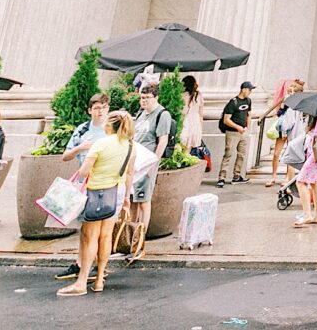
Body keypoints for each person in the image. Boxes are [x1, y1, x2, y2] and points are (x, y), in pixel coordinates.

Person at [57, 111, 135, 297]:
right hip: (117, 191)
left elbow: (84, 172)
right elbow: (130, 173)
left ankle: (82, 281)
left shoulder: (101, 143)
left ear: (110, 125)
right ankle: (99, 279)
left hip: (97, 192)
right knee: (106, 236)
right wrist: (126, 199)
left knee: (89, 237)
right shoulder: (130, 146)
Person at [127, 85, 173, 263]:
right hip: (134, 161)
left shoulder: (162, 115)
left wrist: (154, 162)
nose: (143, 101)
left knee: (144, 201)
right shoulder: (140, 114)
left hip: (147, 162)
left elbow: (162, 140)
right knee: (132, 200)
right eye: (141, 97)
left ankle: (140, 239)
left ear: (155, 97)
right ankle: (129, 236)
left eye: (147, 98)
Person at [265, 78, 305, 187]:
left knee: (290, 155)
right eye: (289, 89)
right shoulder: (287, 100)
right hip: (283, 129)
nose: (289, 91)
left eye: (292, 90)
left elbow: (293, 119)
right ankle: (273, 176)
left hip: (293, 130)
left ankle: (288, 178)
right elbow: (281, 113)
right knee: (276, 153)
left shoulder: (300, 103)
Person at [216, 80, 254, 187]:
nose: (250, 92)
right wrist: (237, 127)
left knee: (241, 154)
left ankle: (237, 176)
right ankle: (222, 177)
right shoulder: (233, 102)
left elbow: (249, 115)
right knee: (228, 154)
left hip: (243, 132)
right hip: (232, 132)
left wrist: (247, 127)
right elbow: (226, 119)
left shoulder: (248, 101)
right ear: (243, 89)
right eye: (249, 90)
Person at [62, 93, 110, 167]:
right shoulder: (82, 129)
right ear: (90, 111)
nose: (101, 111)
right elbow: (65, 157)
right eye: (97, 108)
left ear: (108, 109)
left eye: (104, 107)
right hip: (86, 176)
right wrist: (80, 148)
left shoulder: (115, 128)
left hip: (108, 176)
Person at [180, 75, 206, 166]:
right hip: (195, 121)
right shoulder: (198, 95)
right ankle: (186, 163)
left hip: (185, 120)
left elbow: (181, 111)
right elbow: (201, 113)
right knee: (189, 148)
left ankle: (181, 163)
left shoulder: (182, 95)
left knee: (181, 145)